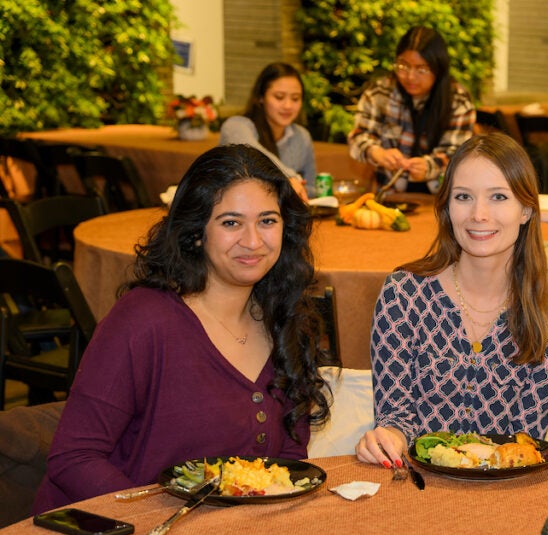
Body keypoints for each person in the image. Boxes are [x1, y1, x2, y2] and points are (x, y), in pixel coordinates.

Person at [32, 145, 330, 513]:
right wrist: (155, 521)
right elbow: (74, 458)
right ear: (195, 232)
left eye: (267, 220)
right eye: (230, 222)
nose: (253, 241)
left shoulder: (286, 320)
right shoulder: (144, 321)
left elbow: (286, 459)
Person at [354, 133, 548, 467]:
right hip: (416, 483)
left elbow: (524, 443)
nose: (479, 214)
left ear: (527, 210)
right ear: (446, 207)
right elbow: (395, 415)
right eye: (463, 197)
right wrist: (389, 437)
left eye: (499, 197)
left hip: (503, 493)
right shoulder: (403, 296)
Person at [348, 26, 476, 194]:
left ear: (439, 69)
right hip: (390, 195)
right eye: (403, 66)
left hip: (443, 198)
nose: (410, 77)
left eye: (421, 69)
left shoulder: (458, 101)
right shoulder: (380, 93)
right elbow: (358, 136)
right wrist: (376, 152)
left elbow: (460, 155)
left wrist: (430, 166)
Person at [219, 62, 316, 201]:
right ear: (261, 97)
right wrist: (289, 179)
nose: (288, 106)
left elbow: (312, 188)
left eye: (295, 98)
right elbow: (253, 155)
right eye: (279, 97)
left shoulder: (302, 136)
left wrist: (301, 188)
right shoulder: (236, 126)